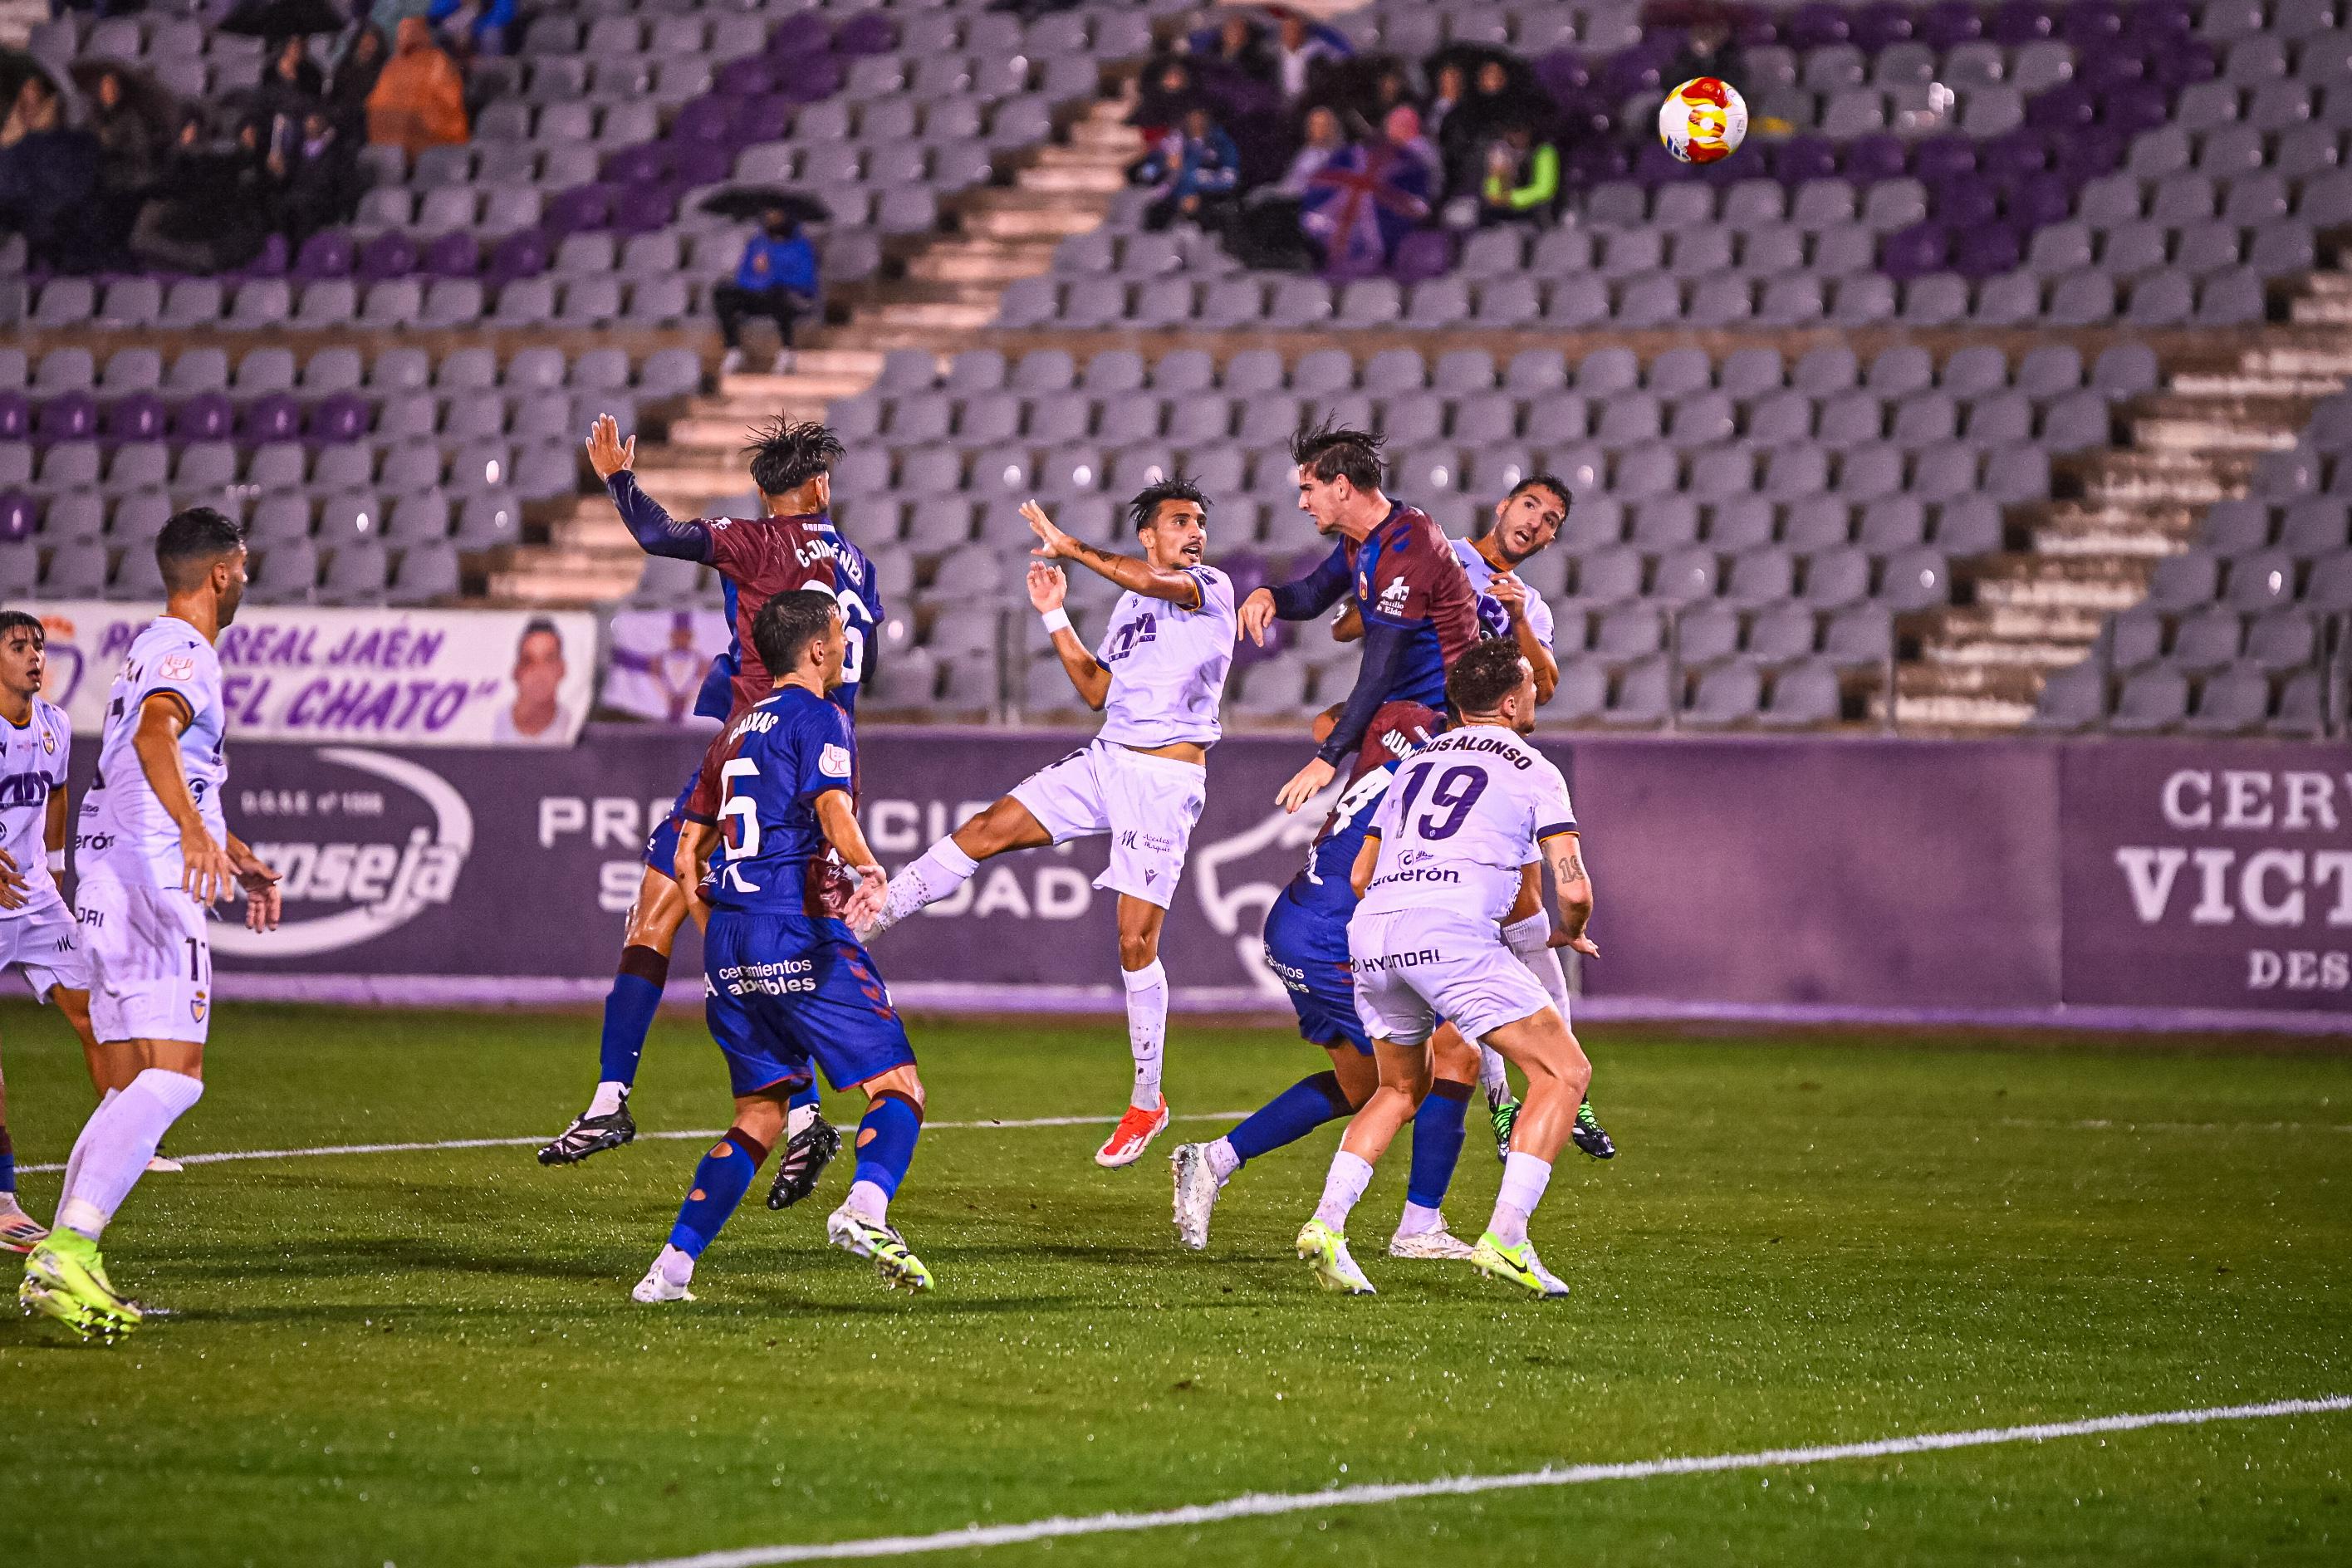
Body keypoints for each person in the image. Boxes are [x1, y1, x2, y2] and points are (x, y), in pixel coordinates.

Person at [539, 418, 882, 1219]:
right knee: (683, 909)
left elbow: (660, 536)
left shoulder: (759, 543)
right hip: (822, 748)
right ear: (823, 488)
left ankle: (778, 1109)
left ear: (771, 497)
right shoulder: (859, 564)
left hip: (757, 750)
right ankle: (626, 1101)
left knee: (696, 917)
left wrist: (618, 480)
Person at [860, 484, 1236, 1169]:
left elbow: (1152, 578)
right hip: (1108, 759)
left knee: (1133, 941)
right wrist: (1055, 615)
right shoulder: (1129, 604)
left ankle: (1147, 1099)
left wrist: (1073, 549)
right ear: (1150, 532)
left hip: (1164, 781)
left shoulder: (1208, 585)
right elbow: (1097, 690)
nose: (1196, 532)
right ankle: (866, 924)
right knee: (988, 827)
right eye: (1180, 522)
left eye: (1200, 523)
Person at [21, 510, 284, 1340]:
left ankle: (66, 1261)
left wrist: (229, 847)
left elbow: (159, 762)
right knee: (175, 1076)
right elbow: (155, 734)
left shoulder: (146, 643)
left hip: (107, 872)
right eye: (242, 568)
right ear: (219, 574)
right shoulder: (188, 653)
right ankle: (68, 1246)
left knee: (135, 1078)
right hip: (146, 881)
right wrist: (198, 836)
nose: (245, 580)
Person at [635, 590, 933, 1300]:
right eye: (838, 632)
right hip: (795, 925)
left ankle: (671, 1268)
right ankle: (865, 1210)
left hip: (730, 937)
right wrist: (868, 867)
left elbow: (687, 855)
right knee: (897, 1086)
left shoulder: (734, 729)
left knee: (761, 1113)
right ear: (818, 650)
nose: (846, 644)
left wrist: (719, 939)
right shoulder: (821, 716)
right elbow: (832, 807)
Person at [1296, 638, 1597, 1297]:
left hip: (1373, 933)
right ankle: (1508, 1238)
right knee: (1564, 1071)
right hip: (1451, 933)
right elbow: (1572, 889)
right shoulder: (1535, 768)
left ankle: (1326, 1225)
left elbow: (1361, 871)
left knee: (1399, 1089)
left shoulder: (1415, 762)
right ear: (1513, 699)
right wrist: (1568, 934)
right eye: (1530, 686)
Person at [1169, 698, 1488, 1261]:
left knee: (1363, 1086)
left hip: (1295, 919)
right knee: (1451, 1058)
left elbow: (1331, 722)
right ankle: (1417, 1226)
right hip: (1336, 933)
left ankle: (1212, 1159)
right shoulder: (1440, 769)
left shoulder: (1392, 759)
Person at [1237, 422, 1480, 815]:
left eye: (1307, 489)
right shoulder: (1364, 539)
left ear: (1342, 486)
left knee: (1343, 850)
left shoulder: (1408, 546)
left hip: (1438, 722)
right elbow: (1314, 594)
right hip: (1405, 715)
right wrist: (1269, 595)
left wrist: (1328, 758)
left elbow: (1380, 666)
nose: (1302, 504)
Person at [0, 613, 115, 1252]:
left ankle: (129, 1138)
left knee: (98, 1011)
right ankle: (2, 1199)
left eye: (38, 646)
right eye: (18, 647)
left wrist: (57, 869)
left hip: (38, 904)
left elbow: (58, 794)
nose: (35, 656)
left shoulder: (55, 725)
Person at [713, 207, 819, 377]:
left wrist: (772, 274)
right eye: (768, 216)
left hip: (794, 298)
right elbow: (742, 277)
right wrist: (759, 277)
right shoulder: (757, 244)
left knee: (778, 293)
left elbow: (805, 281)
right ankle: (734, 349)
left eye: (776, 216)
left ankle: (787, 351)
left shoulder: (802, 246)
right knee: (724, 292)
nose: (772, 220)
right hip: (761, 295)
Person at [365, 16, 468, 156]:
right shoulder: (396, 64)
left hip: (430, 136)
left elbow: (448, 101)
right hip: (400, 136)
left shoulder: (436, 61)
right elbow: (379, 100)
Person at [1134, 103, 1242, 233]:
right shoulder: (1173, 141)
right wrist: (1164, 166)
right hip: (1168, 207)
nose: (1195, 122)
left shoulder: (1221, 145)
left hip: (1207, 205)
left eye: (1200, 118)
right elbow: (1145, 172)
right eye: (1191, 118)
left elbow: (1229, 179)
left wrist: (1194, 180)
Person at [491, 618, 573, 743]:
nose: (539, 672)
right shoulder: (494, 723)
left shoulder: (573, 725)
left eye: (549, 660)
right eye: (529, 661)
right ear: (516, 671)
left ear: (562, 669)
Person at [1479, 122, 1558, 226]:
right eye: (1512, 132)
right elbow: (1493, 195)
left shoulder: (1545, 151)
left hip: (1535, 213)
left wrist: (1512, 198)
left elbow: (1545, 190)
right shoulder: (1502, 150)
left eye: (1520, 132)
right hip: (1505, 212)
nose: (1517, 137)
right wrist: (1498, 175)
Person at [326, 25, 390, 134]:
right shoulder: (346, 63)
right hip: (337, 114)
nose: (367, 45)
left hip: (360, 122)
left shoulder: (382, 72)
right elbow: (334, 92)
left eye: (372, 43)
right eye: (364, 41)